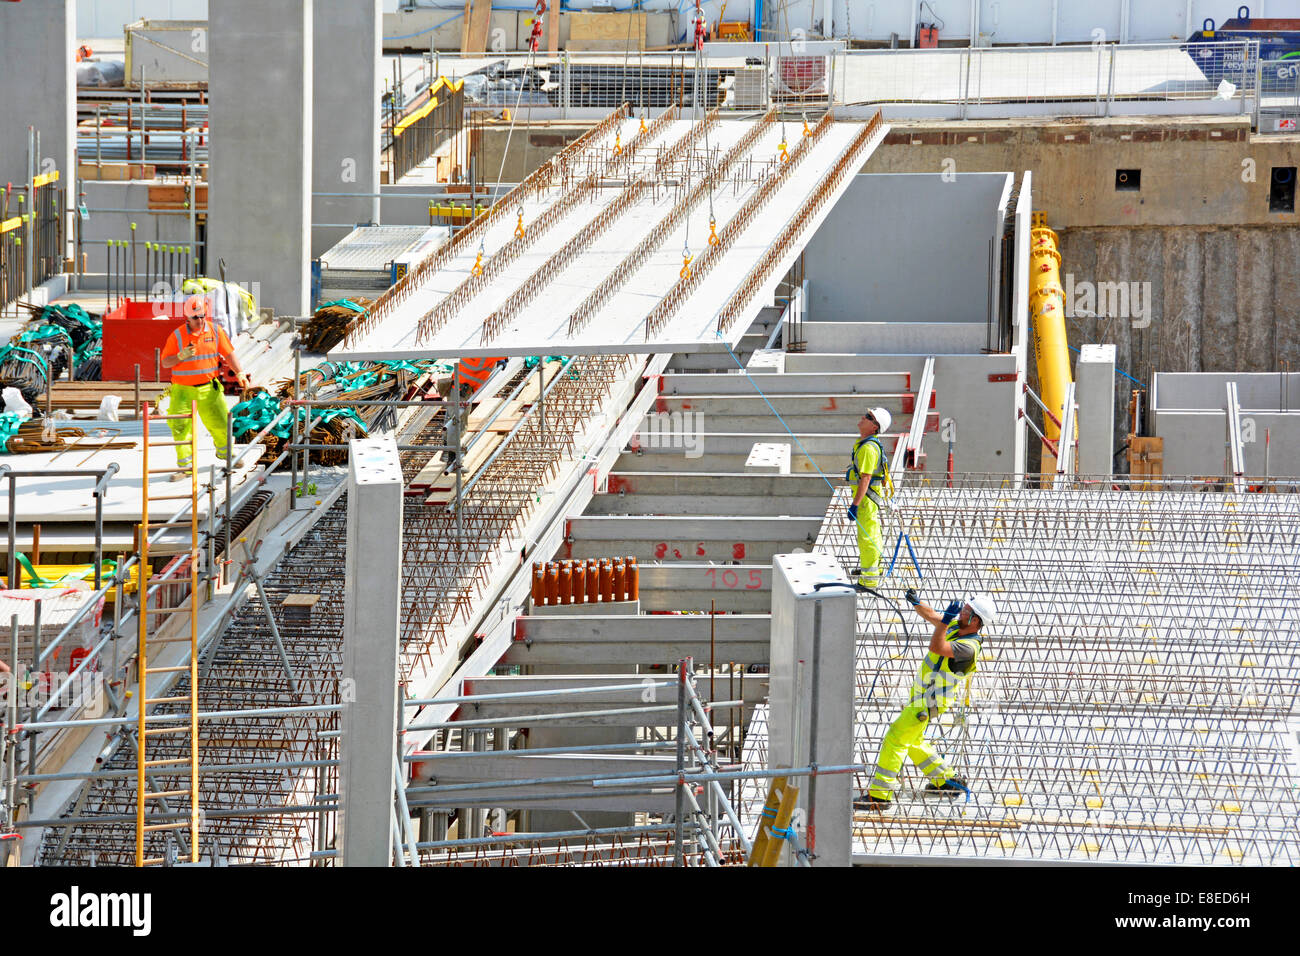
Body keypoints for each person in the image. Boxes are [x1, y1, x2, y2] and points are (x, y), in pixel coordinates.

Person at [857, 591, 999, 812]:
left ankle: (879, 796)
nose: (963, 611)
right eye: (965, 608)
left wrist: (943, 622)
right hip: (923, 697)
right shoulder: (956, 627)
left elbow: (936, 647)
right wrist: (916, 602)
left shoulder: (968, 648)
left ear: (977, 621)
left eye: (968, 611)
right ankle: (948, 781)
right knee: (913, 741)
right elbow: (932, 615)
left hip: (929, 702)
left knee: (895, 738)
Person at [159, 295, 250, 476]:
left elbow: (229, 354)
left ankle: (227, 455)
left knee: (221, 423)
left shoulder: (215, 331)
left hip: (209, 388)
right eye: (195, 317)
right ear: (187, 318)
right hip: (182, 390)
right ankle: (186, 466)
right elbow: (165, 363)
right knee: (180, 426)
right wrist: (180, 356)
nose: (200, 320)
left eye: (202, 316)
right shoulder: (177, 336)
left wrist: (239, 372)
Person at [845, 406, 892, 593]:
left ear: (875, 427)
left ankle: (870, 581)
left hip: (865, 500)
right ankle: (870, 571)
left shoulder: (868, 449)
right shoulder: (867, 445)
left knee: (867, 538)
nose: (862, 418)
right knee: (872, 535)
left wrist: (855, 505)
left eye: (868, 417)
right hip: (869, 499)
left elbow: (865, 478)